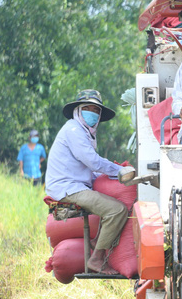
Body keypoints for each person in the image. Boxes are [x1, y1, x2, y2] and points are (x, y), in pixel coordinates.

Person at [45, 89, 135, 275]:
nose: (92, 113)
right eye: (87, 108)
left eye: (96, 110)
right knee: (116, 210)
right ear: (78, 110)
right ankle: (97, 259)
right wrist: (118, 170)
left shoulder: (85, 132)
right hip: (68, 189)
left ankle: (98, 241)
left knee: (109, 201)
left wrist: (112, 173)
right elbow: (92, 161)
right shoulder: (73, 130)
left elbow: (91, 168)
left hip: (75, 185)